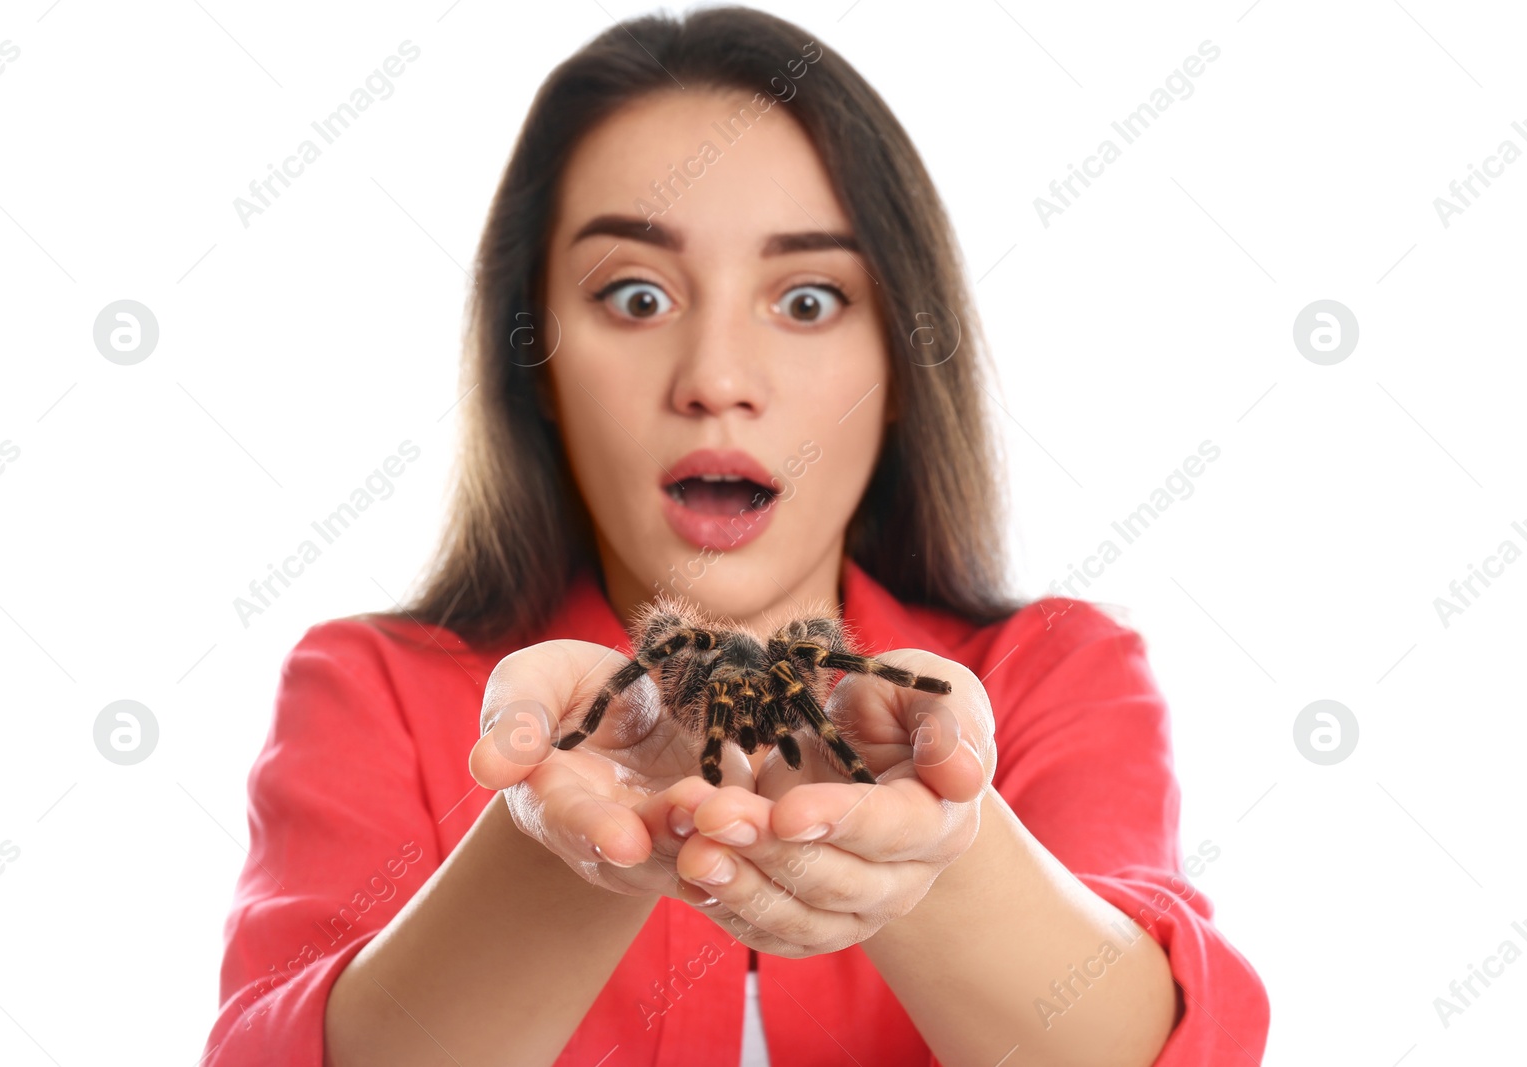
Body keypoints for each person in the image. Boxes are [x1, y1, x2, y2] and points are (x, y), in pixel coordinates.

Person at [198, 8, 1269, 1065]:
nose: (715, 379)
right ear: (538, 365)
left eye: (806, 299)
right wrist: (553, 832)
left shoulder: (1055, 672)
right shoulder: (371, 689)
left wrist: (940, 830)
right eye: (634, 294)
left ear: (899, 363)